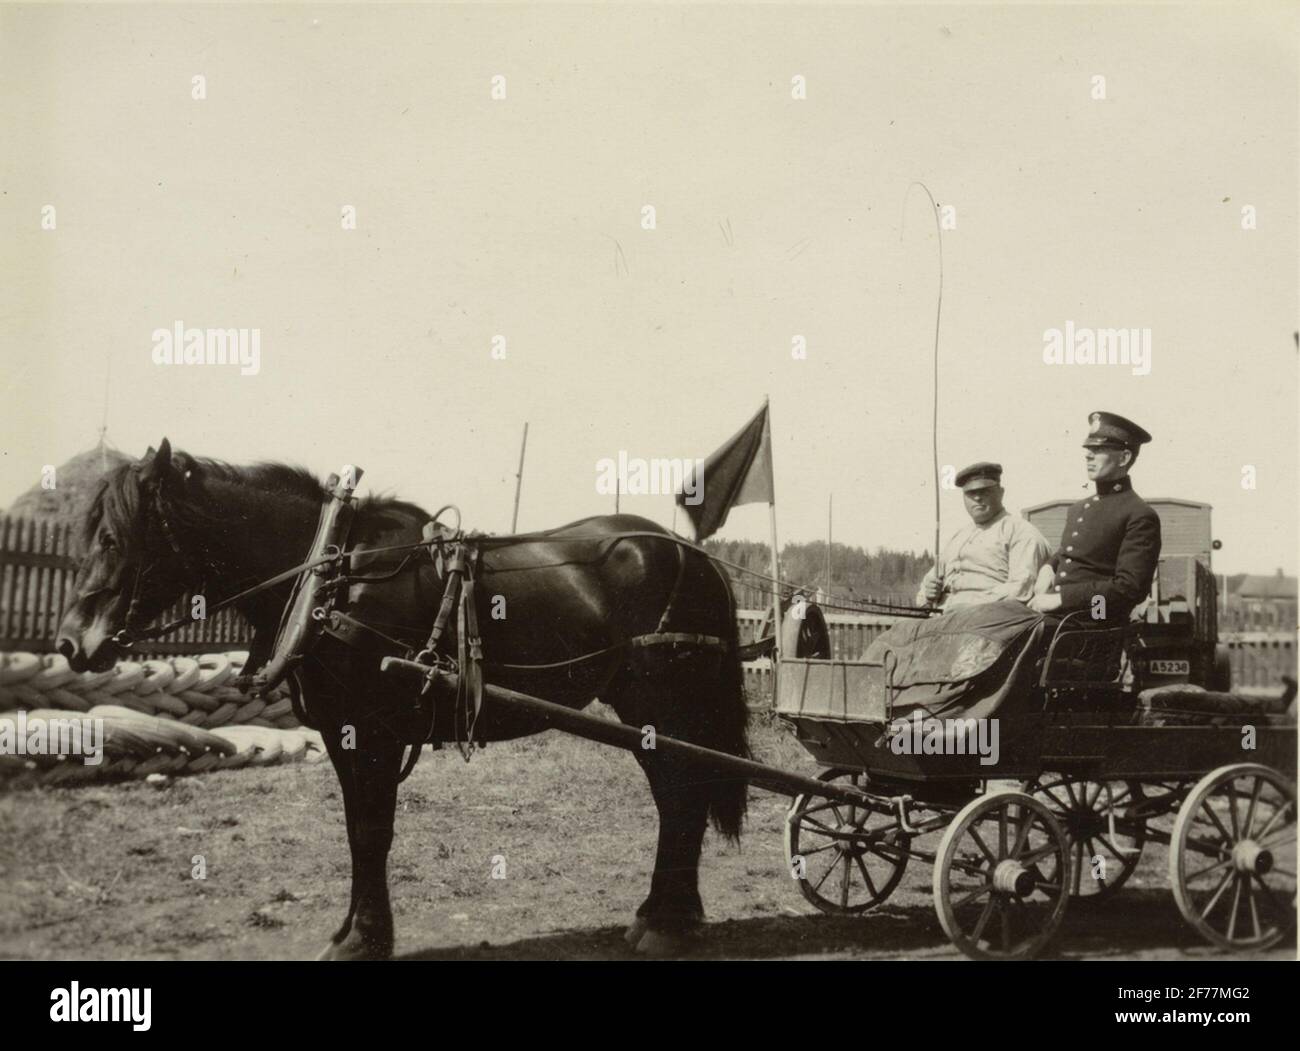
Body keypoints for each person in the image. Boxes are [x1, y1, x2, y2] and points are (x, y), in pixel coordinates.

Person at [1028, 412, 1161, 620]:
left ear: (1124, 458)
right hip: (1061, 616)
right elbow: (1077, 552)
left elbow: (1129, 588)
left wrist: (1062, 599)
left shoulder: (1139, 514)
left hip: (1095, 620)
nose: (1088, 455)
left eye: (1098, 449)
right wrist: (1048, 567)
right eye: (1089, 449)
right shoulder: (1079, 508)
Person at [916, 462, 1051, 610]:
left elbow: (1021, 590)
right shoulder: (959, 537)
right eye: (970, 493)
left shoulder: (1021, 532)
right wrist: (928, 594)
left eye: (984, 491)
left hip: (990, 620)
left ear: (1001, 492)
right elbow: (927, 587)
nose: (977, 498)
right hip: (945, 617)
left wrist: (969, 605)